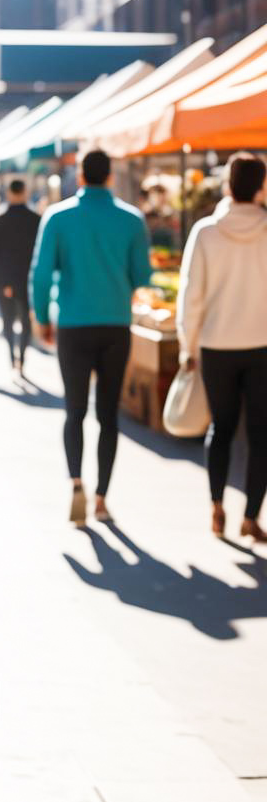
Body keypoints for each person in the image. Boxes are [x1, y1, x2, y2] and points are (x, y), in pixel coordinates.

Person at [30, 149, 152, 527]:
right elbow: (143, 276)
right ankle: (101, 499)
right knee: (108, 414)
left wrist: (41, 318)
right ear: (110, 177)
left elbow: (41, 272)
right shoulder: (132, 219)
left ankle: (77, 483)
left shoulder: (58, 217)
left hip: (72, 323)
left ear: (80, 177)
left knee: (75, 410)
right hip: (115, 323)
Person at [177, 153, 267, 542]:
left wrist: (187, 344)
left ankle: (216, 506)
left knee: (222, 426)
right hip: (262, 345)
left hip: (215, 345)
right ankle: (251, 517)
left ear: (227, 186)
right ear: (261, 186)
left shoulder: (205, 232)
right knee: (261, 434)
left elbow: (190, 294)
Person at [0, 178, 40, 373]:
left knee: (7, 320)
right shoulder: (36, 220)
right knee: (26, 321)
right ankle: (22, 358)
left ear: (8, 194)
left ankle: (11, 355)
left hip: (4, 279)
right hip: (28, 279)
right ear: (24, 192)